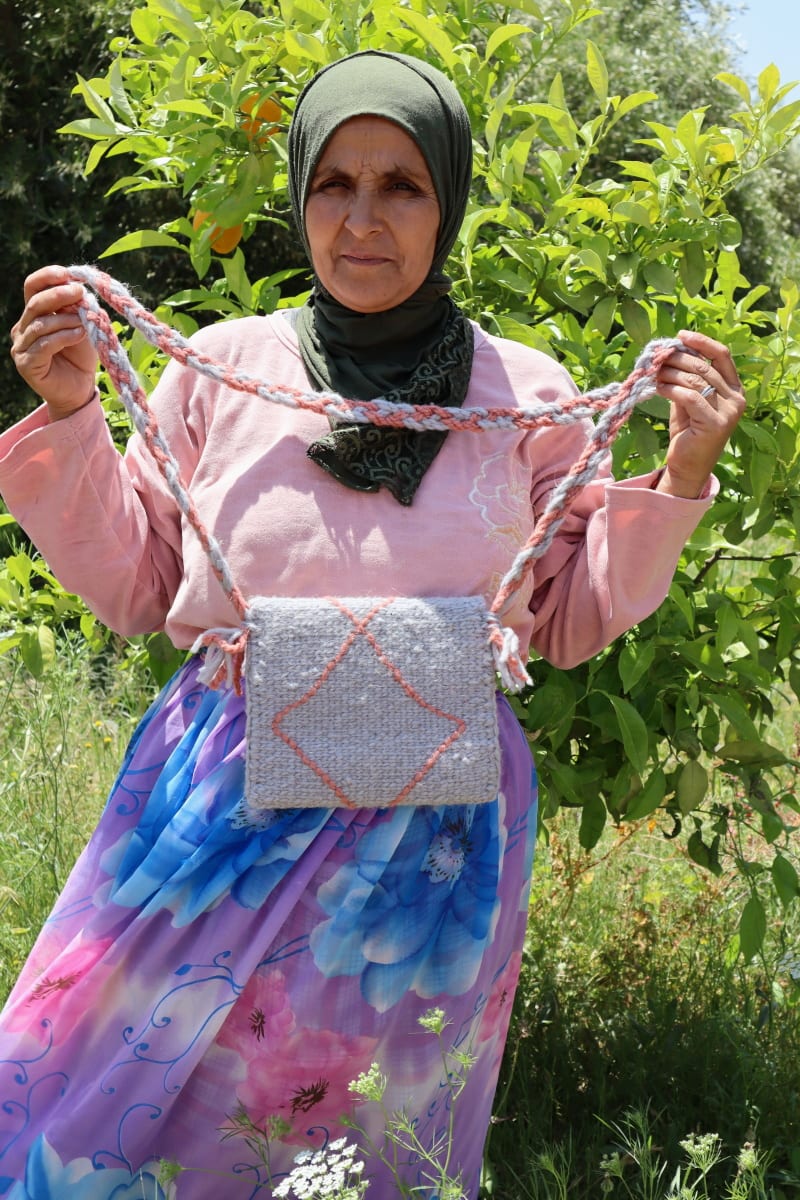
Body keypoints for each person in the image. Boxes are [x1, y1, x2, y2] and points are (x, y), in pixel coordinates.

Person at [0, 50, 743, 1200]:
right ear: (298, 193)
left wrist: (681, 472)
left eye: (400, 185)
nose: (360, 220)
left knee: (354, 1136)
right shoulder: (221, 369)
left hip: (429, 854)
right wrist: (68, 410)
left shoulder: (528, 394)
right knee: (107, 1093)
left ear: (448, 202)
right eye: (332, 183)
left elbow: (568, 617)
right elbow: (139, 585)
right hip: (218, 815)